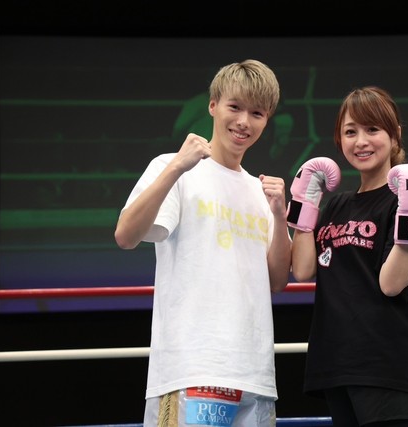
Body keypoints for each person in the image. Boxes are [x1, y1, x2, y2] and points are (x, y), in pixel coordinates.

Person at [114, 59, 292, 427]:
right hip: (192, 369)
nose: (243, 121)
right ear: (213, 105)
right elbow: (126, 235)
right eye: (234, 107)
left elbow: (277, 280)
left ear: (266, 120)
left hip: (254, 374)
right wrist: (177, 167)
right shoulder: (174, 167)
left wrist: (278, 215)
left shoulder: (260, 192)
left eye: (257, 113)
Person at [287, 86, 408, 426]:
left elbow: (391, 285)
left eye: (372, 129)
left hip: (386, 363)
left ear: (394, 134)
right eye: (350, 132)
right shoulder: (337, 205)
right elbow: (303, 269)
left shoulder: (401, 200)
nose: (361, 141)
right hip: (337, 361)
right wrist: (304, 208)